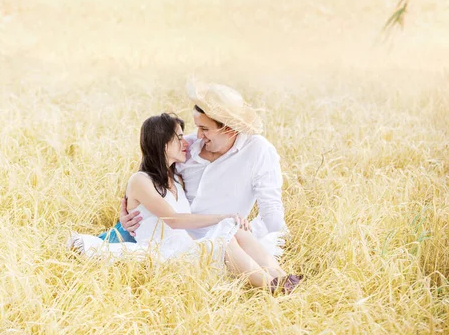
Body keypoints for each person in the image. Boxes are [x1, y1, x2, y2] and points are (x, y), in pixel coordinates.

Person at [70, 113, 302, 293]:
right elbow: (174, 221)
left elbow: (183, 231)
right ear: (162, 143)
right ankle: (272, 287)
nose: (187, 142)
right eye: (179, 138)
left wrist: (218, 230)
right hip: (164, 252)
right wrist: (223, 217)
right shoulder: (141, 180)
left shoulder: (176, 178)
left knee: (235, 233)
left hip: (183, 247)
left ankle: (280, 275)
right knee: (224, 239)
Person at [103, 81, 288, 260]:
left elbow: (271, 210)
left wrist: (256, 236)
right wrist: (127, 213)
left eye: (204, 128)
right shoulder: (187, 148)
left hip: (221, 238)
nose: (198, 135)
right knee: (92, 248)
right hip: (167, 235)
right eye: (197, 127)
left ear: (229, 130)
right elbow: (151, 177)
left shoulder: (258, 150)